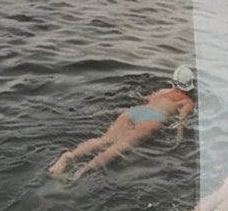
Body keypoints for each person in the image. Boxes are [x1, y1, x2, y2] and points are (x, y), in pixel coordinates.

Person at [48, 64, 196, 178]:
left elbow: (145, 99)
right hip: (153, 119)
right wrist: (178, 139)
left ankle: (69, 156)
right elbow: (180, 122)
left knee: (104, 140)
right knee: (117, 148)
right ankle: (80, 174)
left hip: (136, 111)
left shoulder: (163, 91)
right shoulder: (187, 102)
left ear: (174, 81)